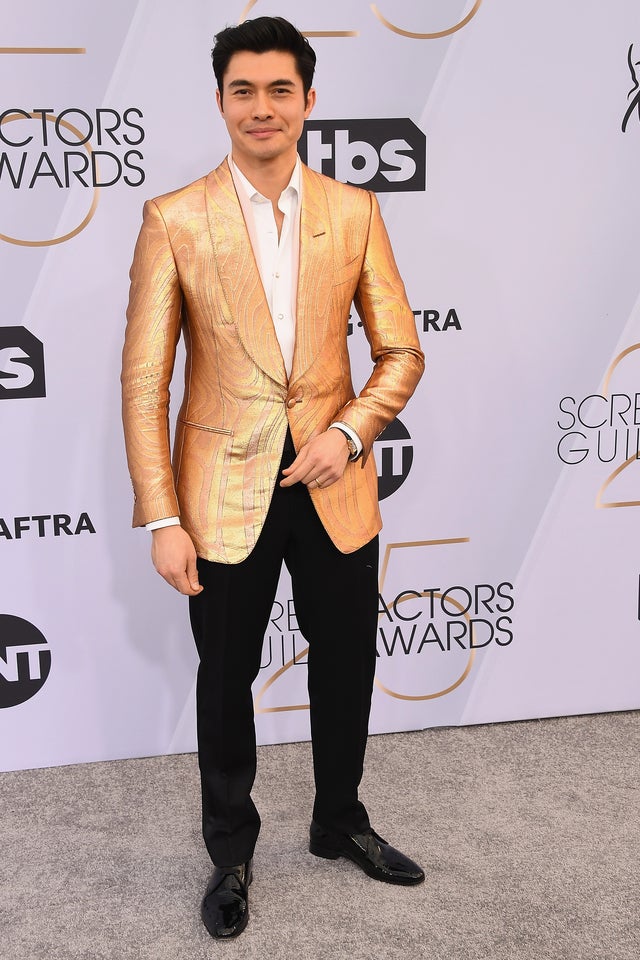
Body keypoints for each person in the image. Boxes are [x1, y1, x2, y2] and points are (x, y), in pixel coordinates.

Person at [122, 16, 425, 941]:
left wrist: (347, 432)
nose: (262, 107)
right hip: (219, 493)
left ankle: (340, 820)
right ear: (221, 101)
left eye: (279, 90)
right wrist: (159, 517)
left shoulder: (355, 210)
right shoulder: (173, 219)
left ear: (309, 101)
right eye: (243, 90)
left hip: (334, 484)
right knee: (225, 681)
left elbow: (401, 351)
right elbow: (144, 381)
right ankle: (232, 853)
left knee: (348, 667)